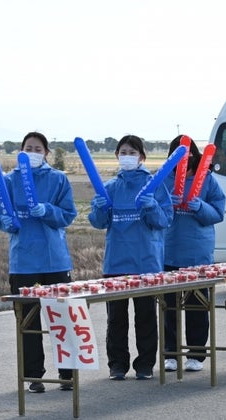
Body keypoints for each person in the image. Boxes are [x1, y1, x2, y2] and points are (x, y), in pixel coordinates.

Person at [0, 131, 77, 392]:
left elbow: (68, 214)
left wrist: (48, 210)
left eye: (38, 148)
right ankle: (34, 376)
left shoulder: (58, 179)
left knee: (62, 318)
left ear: (46, 153)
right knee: (28, 321)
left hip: (55, 260)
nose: (33, 152)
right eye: (28, 148)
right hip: (23, 261)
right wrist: (6, 222)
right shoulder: (8, 180)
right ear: (21, 151)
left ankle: (67, 374)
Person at [88, 134, 173, 380]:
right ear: (117, 156)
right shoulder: (111, 187)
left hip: (146, 261)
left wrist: (151, 206)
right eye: (123, 152)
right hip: (116, 260)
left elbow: (165, 220)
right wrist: (99, 208)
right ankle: (117, 364)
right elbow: (98, 222)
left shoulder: (155, 185)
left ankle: (145, 364)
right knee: (116, 318)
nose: (127, 157)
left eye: (132, 153)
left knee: (145, 316)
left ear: (142, 157)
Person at [162, 135, 226, 372]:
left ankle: (196, 354)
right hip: (168, 252)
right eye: (178, 154)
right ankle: (170, 353)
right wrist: (166, 203)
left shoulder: (208, 180)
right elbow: (152, 211)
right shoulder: (164, 180)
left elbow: (218, 212)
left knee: (197, 307)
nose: (185, 160)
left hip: (198, 254)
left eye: (188, 154)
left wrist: (200, 206)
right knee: (168, 307)